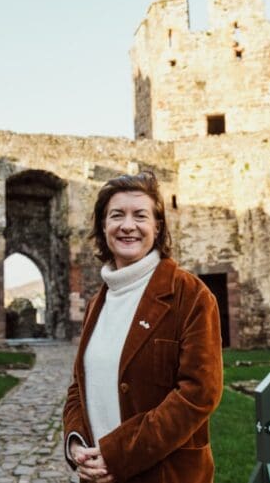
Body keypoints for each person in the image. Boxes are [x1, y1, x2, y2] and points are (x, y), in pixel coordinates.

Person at [63, 172, 223, 483]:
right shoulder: (98, 302)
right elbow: (78, 386)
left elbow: (199, 393)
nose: (127, 225)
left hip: (165, 474)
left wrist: (117, 453)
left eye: (140, 215)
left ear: (157, 226)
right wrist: (77, 443)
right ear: (102, 226)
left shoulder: (190, 295)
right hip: (98, 475)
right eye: (116, 215)